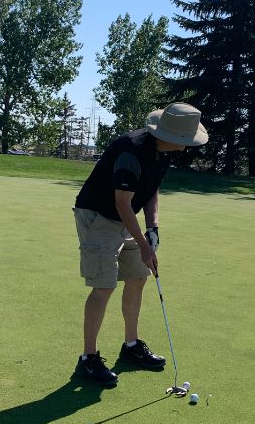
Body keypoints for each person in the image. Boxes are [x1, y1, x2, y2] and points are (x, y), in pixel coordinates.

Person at [72, 102, 208, 386]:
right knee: (105, 284)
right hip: (98, 215)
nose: (186, 145)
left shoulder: (164, 152)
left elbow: (150, 191)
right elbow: (122, 203)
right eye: (185, 139)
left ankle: (131, 345)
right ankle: (88, 358)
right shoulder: (130, 151)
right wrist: (145, 246)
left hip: (126, 218)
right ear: (170, 135)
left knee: (137, 276)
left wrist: (152, 228)